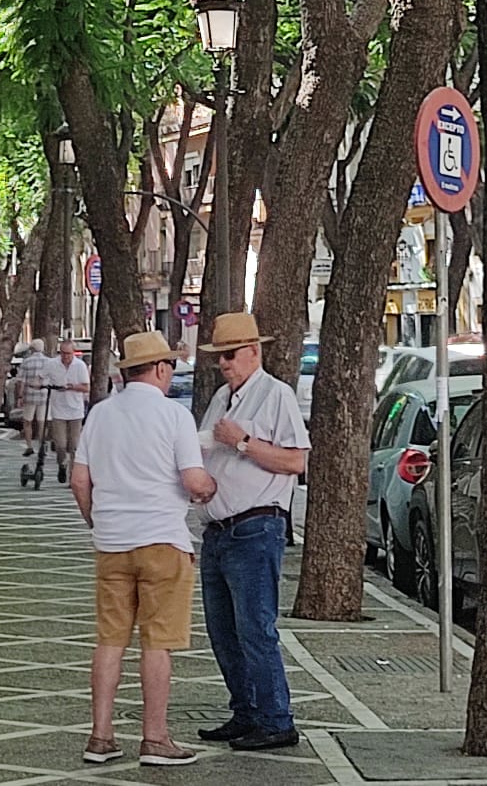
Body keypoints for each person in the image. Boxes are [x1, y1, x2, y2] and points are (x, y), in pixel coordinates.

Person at [71, 331, 215, 768]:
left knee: (109, 640)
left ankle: (100, 737)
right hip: (162, 542)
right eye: (169, 366)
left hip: (111, 543)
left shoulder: (100, 414)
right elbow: (193, 481)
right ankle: (154, 739)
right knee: (157, 643)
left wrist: (100, 521)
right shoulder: (174, 416)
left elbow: (80, 481)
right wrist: (210, 489)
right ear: (159, 369)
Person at [196, 312, 309, 754]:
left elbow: (297, 461)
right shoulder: (224, 397)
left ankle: (276, 719)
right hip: (219, 529)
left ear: (252, 352)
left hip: (255, 526)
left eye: (229, 355)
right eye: (218, 357)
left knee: (255, 628)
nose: (223, 364)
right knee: (223, 630)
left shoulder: (275, 395)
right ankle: (246, 711)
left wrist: (243, 442)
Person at [49, 338, 92, 484]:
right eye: (63, 353)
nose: (66, 357)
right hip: (58, 409)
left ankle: (73, 476)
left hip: (75, 410)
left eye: (68, 353)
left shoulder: (80, 366)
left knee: (74, 446)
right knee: (60, 444)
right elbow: (41, 379)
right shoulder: (52, 364)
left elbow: (86, 387)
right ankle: (62, 464)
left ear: (73, 353)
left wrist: (72, 387)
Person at [18, 338, 55, 456]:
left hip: (30, 394)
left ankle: (29, 446)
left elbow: (21, 381)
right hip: (44, 395)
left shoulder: (26, 362)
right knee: (42, 422)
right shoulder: (50, 362)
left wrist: (20, 396)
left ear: (32, 349)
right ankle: (41, 445)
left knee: (27, 421)